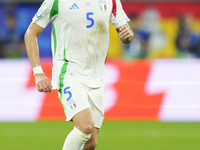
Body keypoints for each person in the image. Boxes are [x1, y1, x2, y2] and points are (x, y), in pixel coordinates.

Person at [24, 0, 133, 149]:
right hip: (69, 72)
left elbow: (125, 35)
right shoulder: (56, 2)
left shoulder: (111, 1)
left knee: (91, 143)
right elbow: (31, 33)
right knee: (85, 127)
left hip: (97, 76)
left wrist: (128, 35)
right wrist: (38, 73)